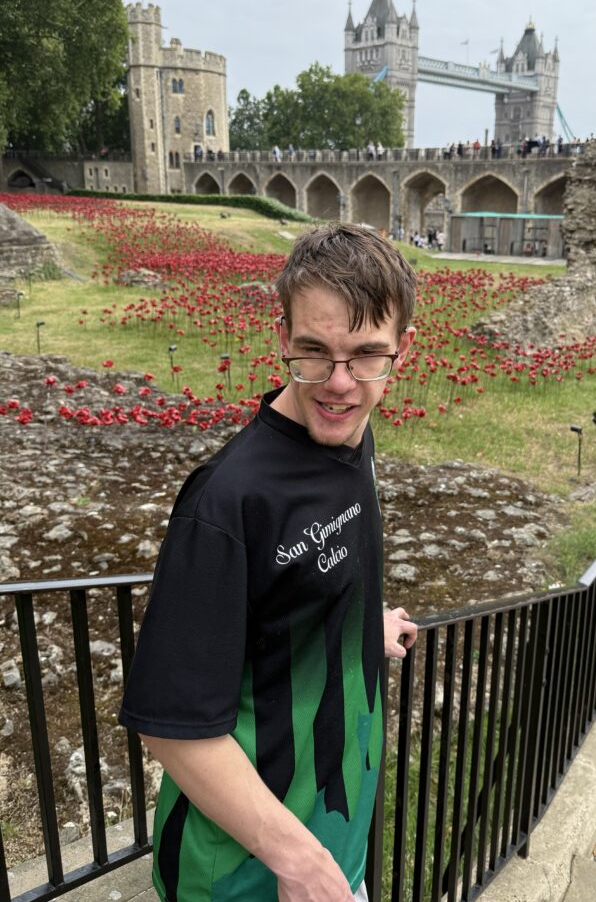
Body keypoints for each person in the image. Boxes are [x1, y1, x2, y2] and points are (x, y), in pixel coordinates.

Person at [119, 225, 420, 902]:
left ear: (403, 351)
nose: (339, 385)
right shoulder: (228, 501)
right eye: (314, 354)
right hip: (246, 876)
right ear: (281, 339)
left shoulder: (353, 440)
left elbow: (301, 583)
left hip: (329, 842)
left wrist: (351, 626)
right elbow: (171, 728)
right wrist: (301, 863)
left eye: (366, 356)